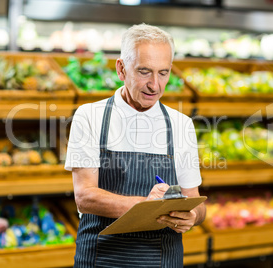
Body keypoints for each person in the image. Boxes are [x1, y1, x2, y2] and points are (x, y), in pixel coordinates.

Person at [65, 23, 206, 268]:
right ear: (121, 69)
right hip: (101, 258)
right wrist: (146, 206)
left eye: (163, 73)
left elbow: (196, 201)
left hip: (163, 260)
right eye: (144, 72)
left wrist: (192, 216)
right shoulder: (90, 116)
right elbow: (85, 197)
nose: (155, 85)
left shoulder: (181, 125)